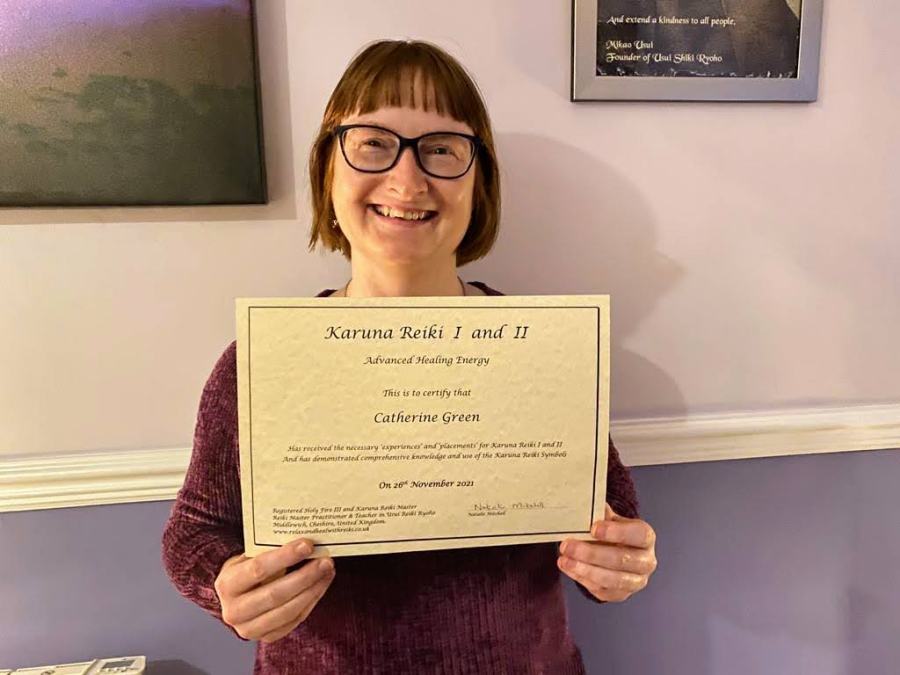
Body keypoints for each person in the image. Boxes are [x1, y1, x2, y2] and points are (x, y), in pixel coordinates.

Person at [162, 39, 658, 674]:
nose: (406, 179)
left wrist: (619, 563)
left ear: (479, 181)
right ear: (327, 171)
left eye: (442, 150)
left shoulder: (543, 349)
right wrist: (225, 585)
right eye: (372, 143)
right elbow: (196, 530)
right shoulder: (265, 359)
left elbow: (610, 520)